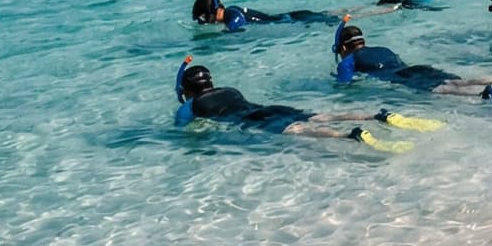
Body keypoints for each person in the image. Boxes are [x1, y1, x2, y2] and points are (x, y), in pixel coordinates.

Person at [173, 57, 432, 149]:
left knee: (298, 130)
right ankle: (377, 116)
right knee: (318, 116)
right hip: (268, 107)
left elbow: (184, 131)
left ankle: (348, 135)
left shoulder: (190, 106)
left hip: (250, 121)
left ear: (188, 89)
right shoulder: (230, 89)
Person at [333, 20, 492, 104]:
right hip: (415, 69)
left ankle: (485, 94)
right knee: (454, 80)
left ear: (344, 48)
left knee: (443, 89)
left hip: (400, 78)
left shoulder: (348, 61)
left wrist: (338, 83)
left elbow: (346, 84)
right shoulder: (383, 48)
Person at [192, 0, 431, 32]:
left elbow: (236, 31)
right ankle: (383, 2)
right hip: (293, 15)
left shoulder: (232, 17)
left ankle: (394, 8)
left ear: (211, 13)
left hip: (293, 21)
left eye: (205, 19)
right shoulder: (233, 8)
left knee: (342, 18)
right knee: (334, 12)